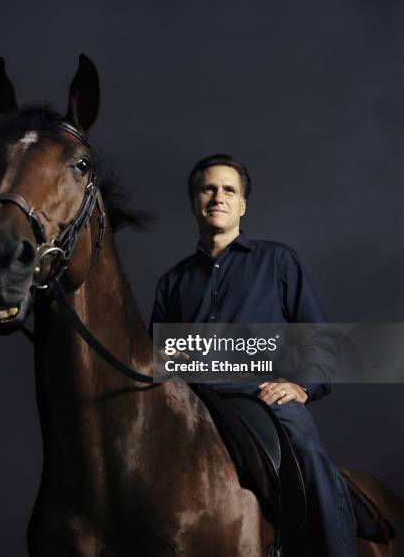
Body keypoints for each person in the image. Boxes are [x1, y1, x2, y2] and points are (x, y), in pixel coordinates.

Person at [149, 154, 356, 557]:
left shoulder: (278, 260)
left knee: (306, 451)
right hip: (190, 404)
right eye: (208, 189)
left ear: (242, 205)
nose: (217, 197)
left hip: (260, 397)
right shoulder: (171, 282)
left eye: (229, 190)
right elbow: (156, 364)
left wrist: (301, 385)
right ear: (194, 202)